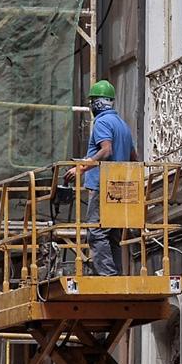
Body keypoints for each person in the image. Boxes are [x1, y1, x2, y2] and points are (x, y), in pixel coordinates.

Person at [64, 80, 138, 276]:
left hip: (102, 186)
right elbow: (134, 158)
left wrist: (81, 168)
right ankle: (116, 273)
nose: (91, 107)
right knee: (112, 234)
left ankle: (107, 275)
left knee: (96, 232)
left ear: (98, 103)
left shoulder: (102, 122)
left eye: (92, 102)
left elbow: (106, 151)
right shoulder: (123, 125)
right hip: (119, 188)